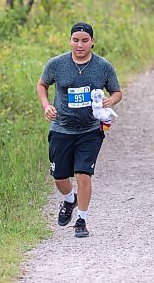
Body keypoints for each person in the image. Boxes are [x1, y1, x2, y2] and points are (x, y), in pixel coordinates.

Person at [37, 22, 122, 237]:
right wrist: (47, 105)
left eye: (85, 40)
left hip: (90, 129)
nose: (80, 44)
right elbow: (42, 85)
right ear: (70, 41)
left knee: (83, 174)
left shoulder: (103, 67)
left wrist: (109, 101)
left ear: (92, 42)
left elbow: (117, 92)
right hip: (61, 128)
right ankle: (69, 200)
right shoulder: (57, 64)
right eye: (76, 40)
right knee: (59, 176)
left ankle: (81, 221)